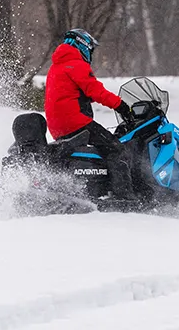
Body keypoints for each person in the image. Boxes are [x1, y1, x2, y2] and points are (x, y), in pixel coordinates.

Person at [44, 28, 139, 201]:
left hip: (58, 127)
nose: (91, 53)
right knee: (117, 149)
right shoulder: (76, 65)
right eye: (91, 49)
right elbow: (96, 91)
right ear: (83, 45)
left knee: (102, 148)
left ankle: (103, 186)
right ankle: (125, 197)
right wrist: (122, 107)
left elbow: (74, 94)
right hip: (76, 122)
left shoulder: (56, 67)